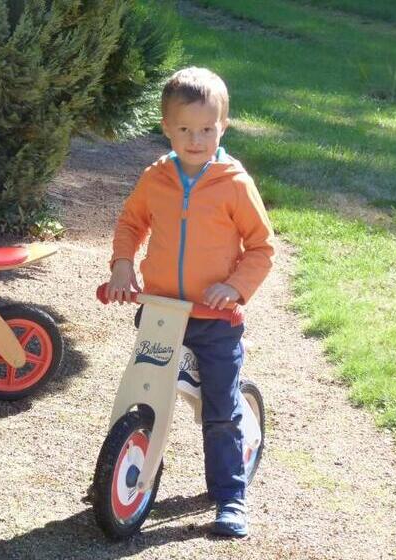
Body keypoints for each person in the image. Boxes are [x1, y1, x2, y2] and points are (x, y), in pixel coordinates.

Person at [106, 67, 275, 537]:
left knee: (219, 410)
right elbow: (131, 224)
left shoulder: (234, 183)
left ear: (223, 126)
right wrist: (123, 264)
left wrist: (236, 288)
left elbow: (262, 247)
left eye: (207, 129)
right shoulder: (156, 178)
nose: (196, 139)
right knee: (144, 388)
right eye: (185, 129)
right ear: (166, 127)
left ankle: (230, 497)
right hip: (161, 312)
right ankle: (120, 468)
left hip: (215, 319)